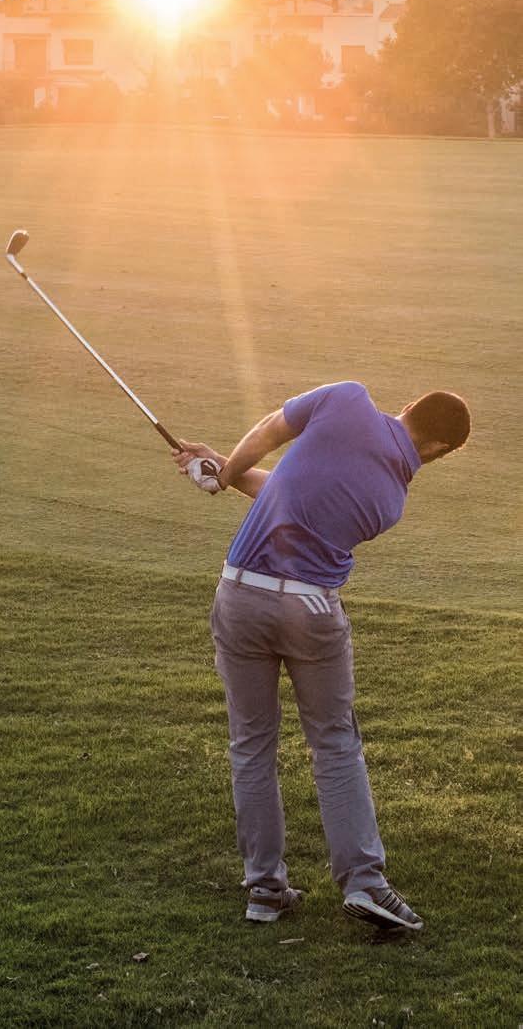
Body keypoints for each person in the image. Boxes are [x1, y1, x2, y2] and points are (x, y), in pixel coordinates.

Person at [173, 382, 471, 932]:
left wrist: (222, 473)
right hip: (309, 610)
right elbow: (288, 491)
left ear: (409, 405)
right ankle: (365, 884)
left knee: (251, 743)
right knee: (334, 743)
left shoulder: (347, 400)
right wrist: (224, 470)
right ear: (437, 451)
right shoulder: (390, 502)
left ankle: (265, 891)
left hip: (240, 594)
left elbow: (269, 436)